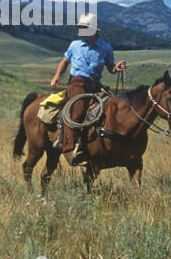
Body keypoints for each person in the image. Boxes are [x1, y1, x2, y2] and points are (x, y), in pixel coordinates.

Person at [49, 13, 127, 165]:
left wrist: (116, 68)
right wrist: (57, 76)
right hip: (76, 84)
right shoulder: (75, 45)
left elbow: (110, 67)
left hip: (95, 85)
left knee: (112, 108)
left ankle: (98, 145)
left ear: (92, 30)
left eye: (83, 27)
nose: (80, 30)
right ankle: (68, 146)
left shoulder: (105, 48)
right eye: (80, 28)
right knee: (77, 111)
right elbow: (65, 61)